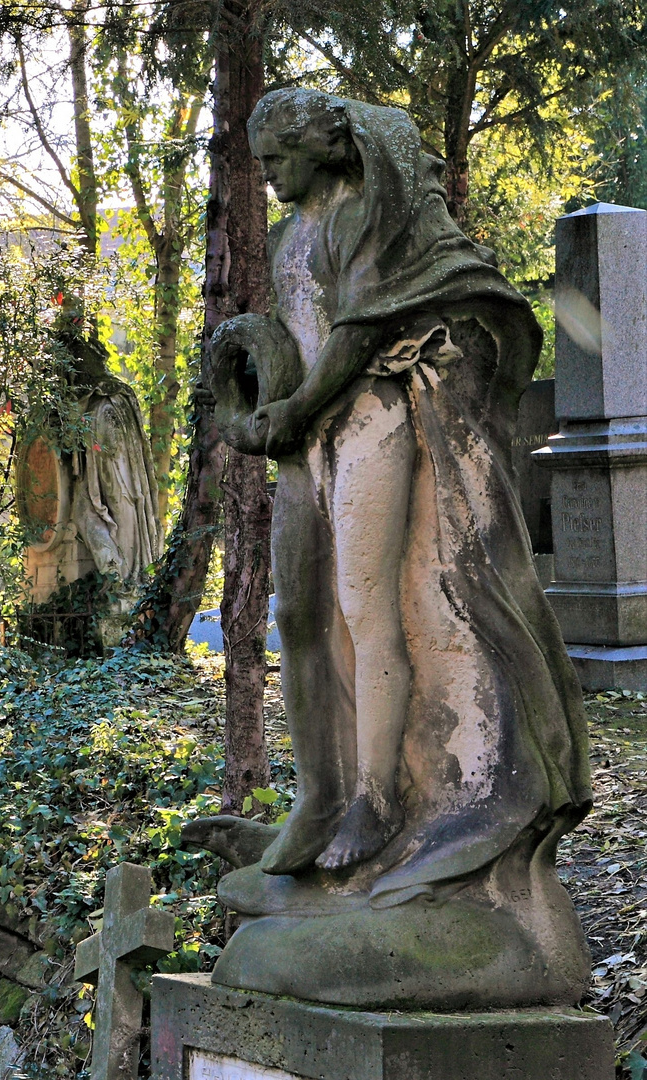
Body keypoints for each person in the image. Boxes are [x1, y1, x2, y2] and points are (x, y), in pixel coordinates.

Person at [222, 88, 588, 908]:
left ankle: (379, 797)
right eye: (261, 162)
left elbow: (356, 331)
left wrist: (296, 408)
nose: (269, 174)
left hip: (374, 420)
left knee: (365, 603)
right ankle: (321, 794)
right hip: (308, 440)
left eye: (277, 158)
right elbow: (302, 331)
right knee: (297, 614)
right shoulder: (293, 235)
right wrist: (252, 373)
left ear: (319, 147)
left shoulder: (366, 218)